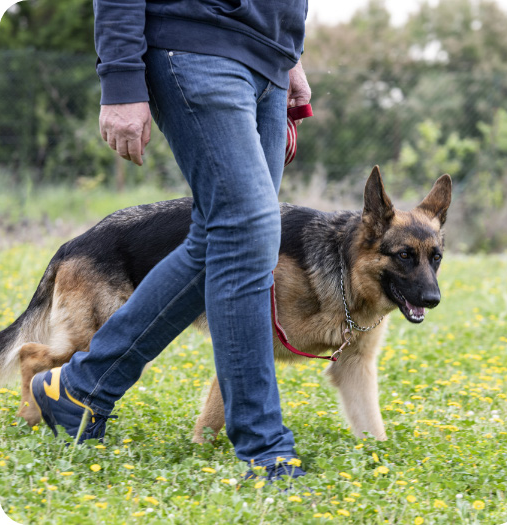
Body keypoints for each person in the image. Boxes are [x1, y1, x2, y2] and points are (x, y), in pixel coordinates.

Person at [29, 0, 311, 482]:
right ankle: (265, 449)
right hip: (196, 42)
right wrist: (120, 79)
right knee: (247, 231)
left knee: (222, 239)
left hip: (268, 60)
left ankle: (81, 388)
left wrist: (289, 55)